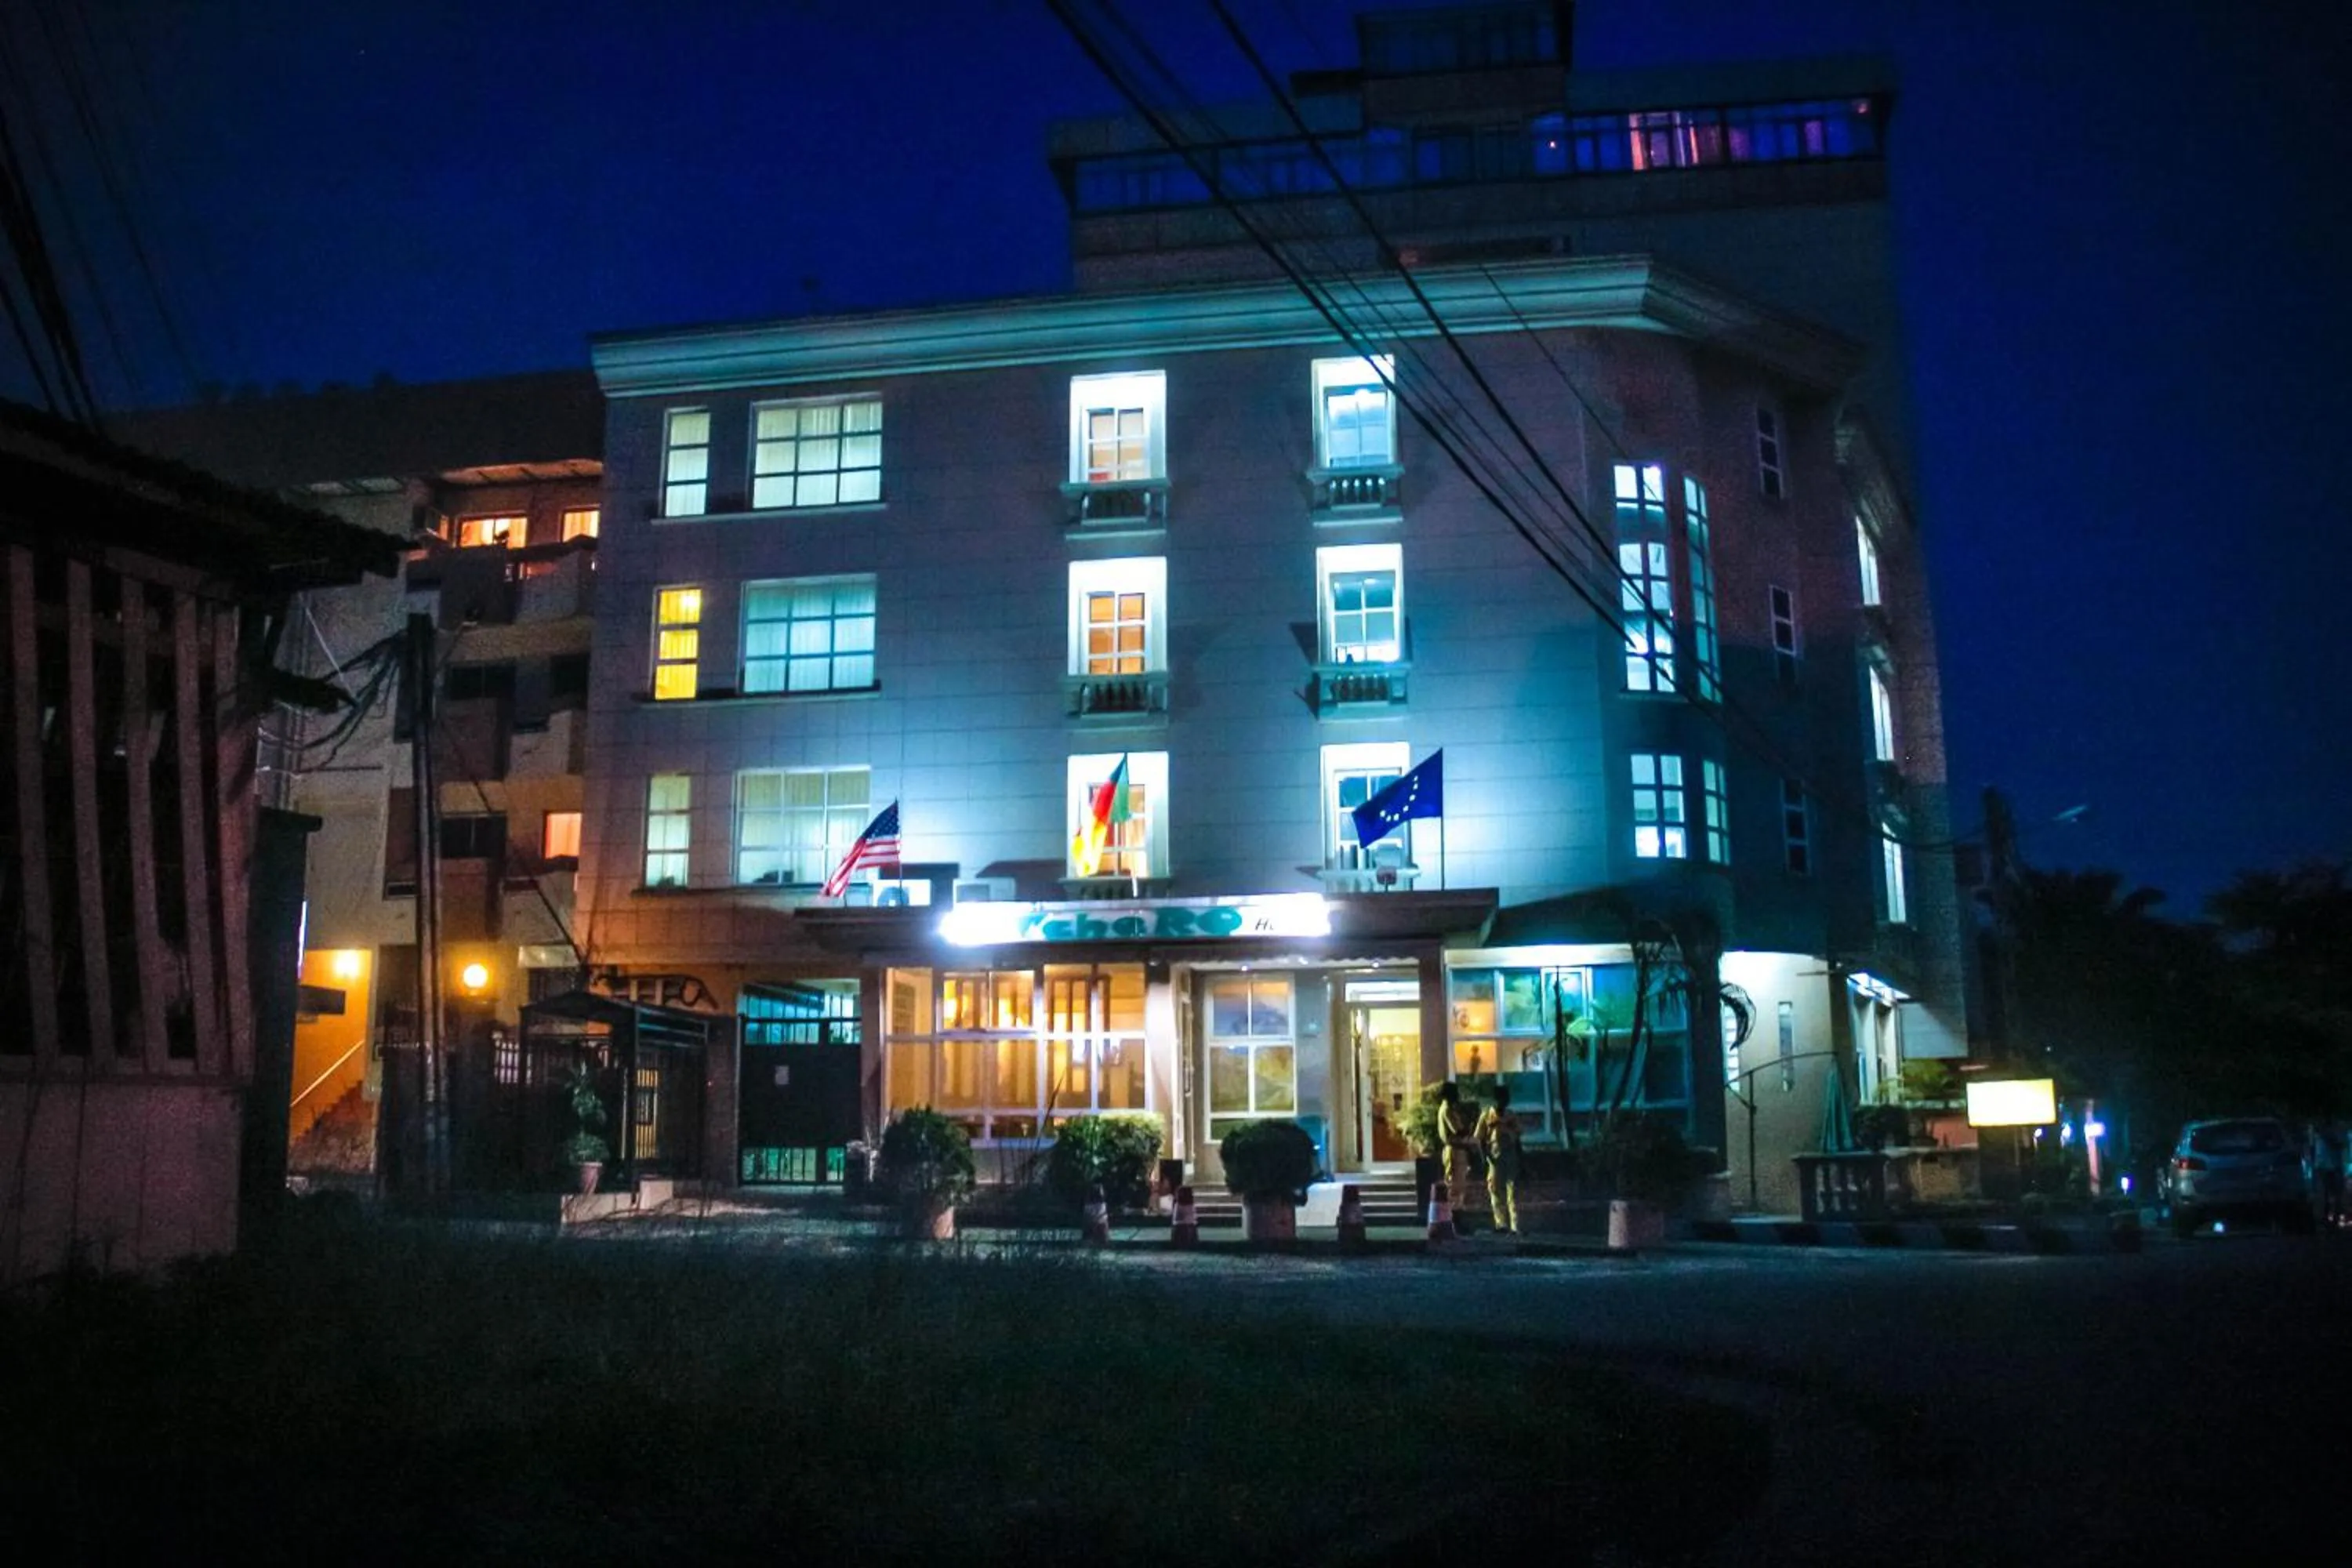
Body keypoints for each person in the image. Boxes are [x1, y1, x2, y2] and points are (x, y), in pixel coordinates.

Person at [1475, 1083, 1526, 1235]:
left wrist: (1521, 1158)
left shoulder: (1511, 1116)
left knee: (1513, 1192)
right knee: (1496, 1192)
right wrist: (1484, 1158)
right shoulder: (1486, 1115)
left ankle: (1515, 1226)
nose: (1505, 1102)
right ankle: (1501, 1224)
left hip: (1510, 1155)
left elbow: (1518, 1138)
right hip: (1494, 1156)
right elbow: (1479, 1138)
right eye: (1503, 1098)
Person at [1436, 1080, 1476, 1221]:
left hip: (1454, 1150)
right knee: (1456, 1187)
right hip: (1455, 1151)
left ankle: (1455, 1219)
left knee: (1456, 1186)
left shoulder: (1445, 1108)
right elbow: (1458, 1131)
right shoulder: (1448, 1110)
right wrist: (1469, 1128)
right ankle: (1455, 1220)